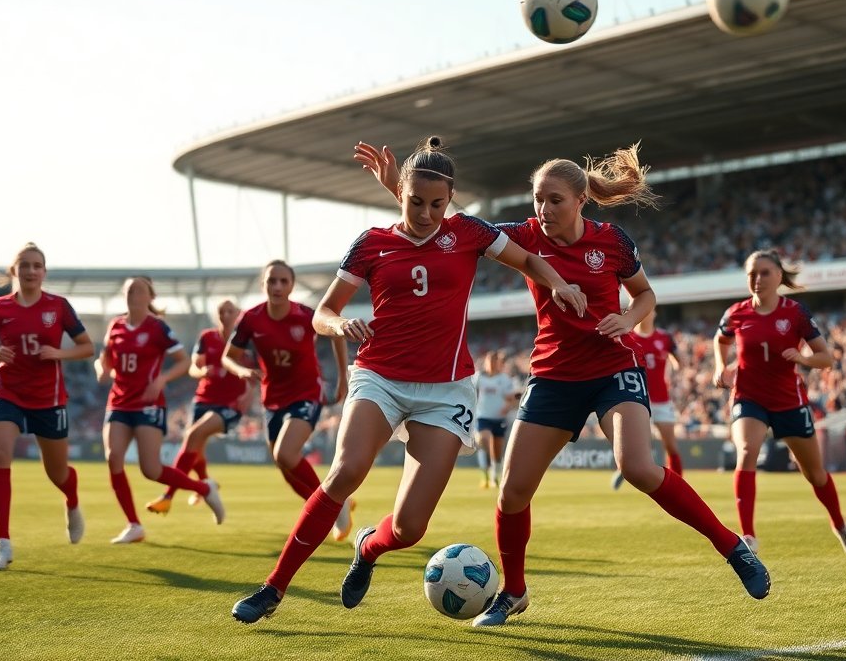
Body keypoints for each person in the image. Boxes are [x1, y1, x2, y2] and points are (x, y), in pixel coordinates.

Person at [355, 142, 770, 629]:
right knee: (510, 494)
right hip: (553, 375)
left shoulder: (611, 240)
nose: (543, 209)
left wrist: (628, 318)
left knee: (636, 465)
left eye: (554, 200)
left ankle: (732, 547)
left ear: (580, 201)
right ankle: (513, 593)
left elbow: (645, 294)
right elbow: (445, 226)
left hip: (613, 368)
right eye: (537, 199)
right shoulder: (525, 235)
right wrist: (396, 188)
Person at [231, 136, 586, 623]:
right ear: (398, 192)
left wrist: (560, 283)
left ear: (451, 198)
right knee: (346, 470)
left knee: (410, 528)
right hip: (380, 376)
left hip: (446, 391)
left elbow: (526, 259)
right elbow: (325, 312)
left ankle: (368, 548)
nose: (426, 213)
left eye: (438, 204)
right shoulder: (372, 243)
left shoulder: (467, 232)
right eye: (416, 202)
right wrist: (339, 324)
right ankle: (272, 589)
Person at [712, 249, 846, 558]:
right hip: (748, 396)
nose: (757, 279)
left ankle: (839, 524)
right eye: (752, 273)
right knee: (746, 451)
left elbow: (826, 357)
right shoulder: (736, 313)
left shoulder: (795, 313)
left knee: (815, 474)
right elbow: (721, 339)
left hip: (788, 401)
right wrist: (719, 366)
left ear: (779, 276)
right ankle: (749, 536)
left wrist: (803, 357)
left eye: (764, 272)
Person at [0, 242, 95, 571]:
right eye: (25, 265)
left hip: (48, 398)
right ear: (15, 271)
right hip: (6, 392)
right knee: (0, 455)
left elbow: (87, 347)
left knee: (57, 473)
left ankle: (72, 500)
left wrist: (59, 353)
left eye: (37, 265)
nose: (32, 271)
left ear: (44, 272)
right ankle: (3, 543)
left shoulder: (59, 306)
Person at [220, 260, 352, 540]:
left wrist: (342, 377)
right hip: (273, 398)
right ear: (263, 285)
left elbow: (336, 335)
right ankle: (331, 505)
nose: (277, 286)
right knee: (284, 464)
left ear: (291, 286)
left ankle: (331, 508)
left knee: (285, 454)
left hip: (307, 392)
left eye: (283, 281)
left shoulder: (306, 315)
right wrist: (243, 370)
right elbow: (227, 357)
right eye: (272, 281)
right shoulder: (251, 319)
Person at [95, 276, 225, 544]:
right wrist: (102, 370)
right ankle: (133, 524)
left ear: (150, 297)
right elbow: (105, 359)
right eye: (129, 289)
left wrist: (162, 380)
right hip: (118, 401)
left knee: (151, 469)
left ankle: (203, 487)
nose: (133, 293)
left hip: (148, 404)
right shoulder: (115, 325)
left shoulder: (157, 328)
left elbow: (182, 361)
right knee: (113, 458)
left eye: (139, 290)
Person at [146, 299, 251, 515]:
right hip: (203, 400)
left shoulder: (246, 341)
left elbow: (256, 371)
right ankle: (206, 484)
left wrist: (249, 395)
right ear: (217, 315)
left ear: (238, 314)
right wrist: (201, 372)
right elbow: (193, 367)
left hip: (230, 404)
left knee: (193, 436)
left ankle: (168, 497)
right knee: (195, 451)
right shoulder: (207, 337)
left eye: (230, 311)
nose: (226, 314)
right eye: (222, 311)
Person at [613, 307, 684, 489]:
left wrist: (678, 365)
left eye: (648, 310)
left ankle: (678, 487)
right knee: (636, 446)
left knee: (671, 446)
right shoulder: (628, 337)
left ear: (654, 313)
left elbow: (679, 361)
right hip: (637, 399)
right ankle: (625, 469)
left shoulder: (664, 338)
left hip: (662, 399)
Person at [474, 349, 520, 489]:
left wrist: (508, 405)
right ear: (486, 362)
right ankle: (486, 474)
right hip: (483, 417)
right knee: (484, 440)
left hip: (499, 418)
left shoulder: (504, 379)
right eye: (490, 361)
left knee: (497, 450)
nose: (492, 364)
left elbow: (510, 397)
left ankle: (493, 477)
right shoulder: (478, 378)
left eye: (495, 361)